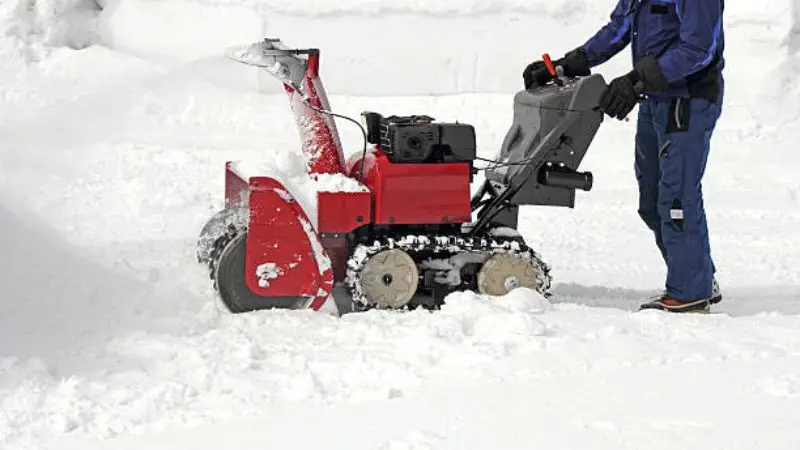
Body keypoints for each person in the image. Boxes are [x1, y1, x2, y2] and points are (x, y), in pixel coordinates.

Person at [523, 0, 725, 313]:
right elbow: (619, 27)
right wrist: (568, 64)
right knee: (652, 198)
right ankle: (697, 275)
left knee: (676, 197)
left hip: (688, 100)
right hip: (656, 98)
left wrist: (634, 81)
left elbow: (698, 49)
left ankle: (690, 292)